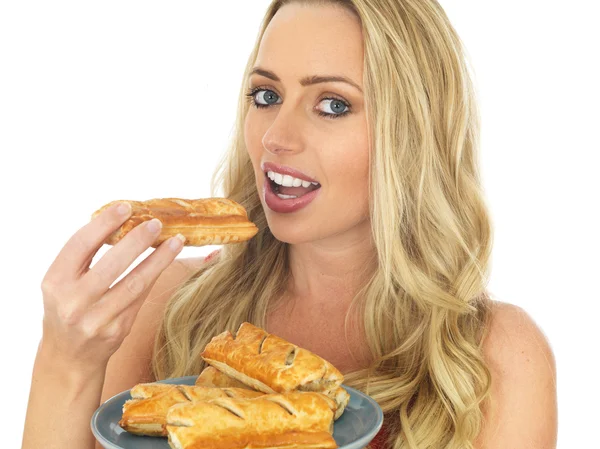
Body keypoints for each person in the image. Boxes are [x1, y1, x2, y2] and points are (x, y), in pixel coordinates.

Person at [22, 1, 558, 448]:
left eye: (331, 104)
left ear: (411, 134)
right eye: (267, 96)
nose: (276, 136)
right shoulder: (171, 302)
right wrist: (65, 360)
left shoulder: (495, 357)